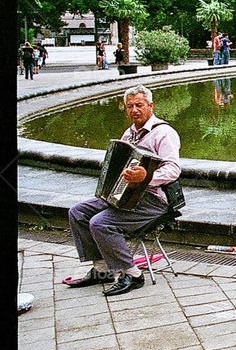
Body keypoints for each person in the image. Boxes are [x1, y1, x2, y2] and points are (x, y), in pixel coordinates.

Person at [63, 85, 181, 296]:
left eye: (139, 105)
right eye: (130, 106)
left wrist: (147, 178)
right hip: (126, 196)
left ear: (150, 106)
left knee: (100, 223)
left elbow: (173, 170)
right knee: (78, 212)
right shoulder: (129, 134)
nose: (135, 110)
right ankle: (103, 269)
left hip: (154, 200)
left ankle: (133, 274)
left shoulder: (164, 133)